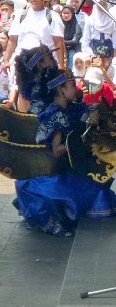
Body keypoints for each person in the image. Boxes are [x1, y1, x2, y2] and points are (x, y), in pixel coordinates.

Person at [15, 70, 116, 236]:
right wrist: (79, 141)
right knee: (92, 189)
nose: (76, 88)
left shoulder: (73, 108)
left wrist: (93, 118)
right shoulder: (54, 115)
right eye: (71, 86)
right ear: (61, 90)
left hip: (75, 164)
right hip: (58, 168)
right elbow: (57, 150)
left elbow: (85, 120)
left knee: (101, 187)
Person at [2, 0, 66, 75]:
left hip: (44, 62)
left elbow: (58, 42)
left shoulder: (53, 16)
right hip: (22, 61)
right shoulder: (20, 15)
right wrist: (6, 60)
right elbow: (12, 40)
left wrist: (61, 65)